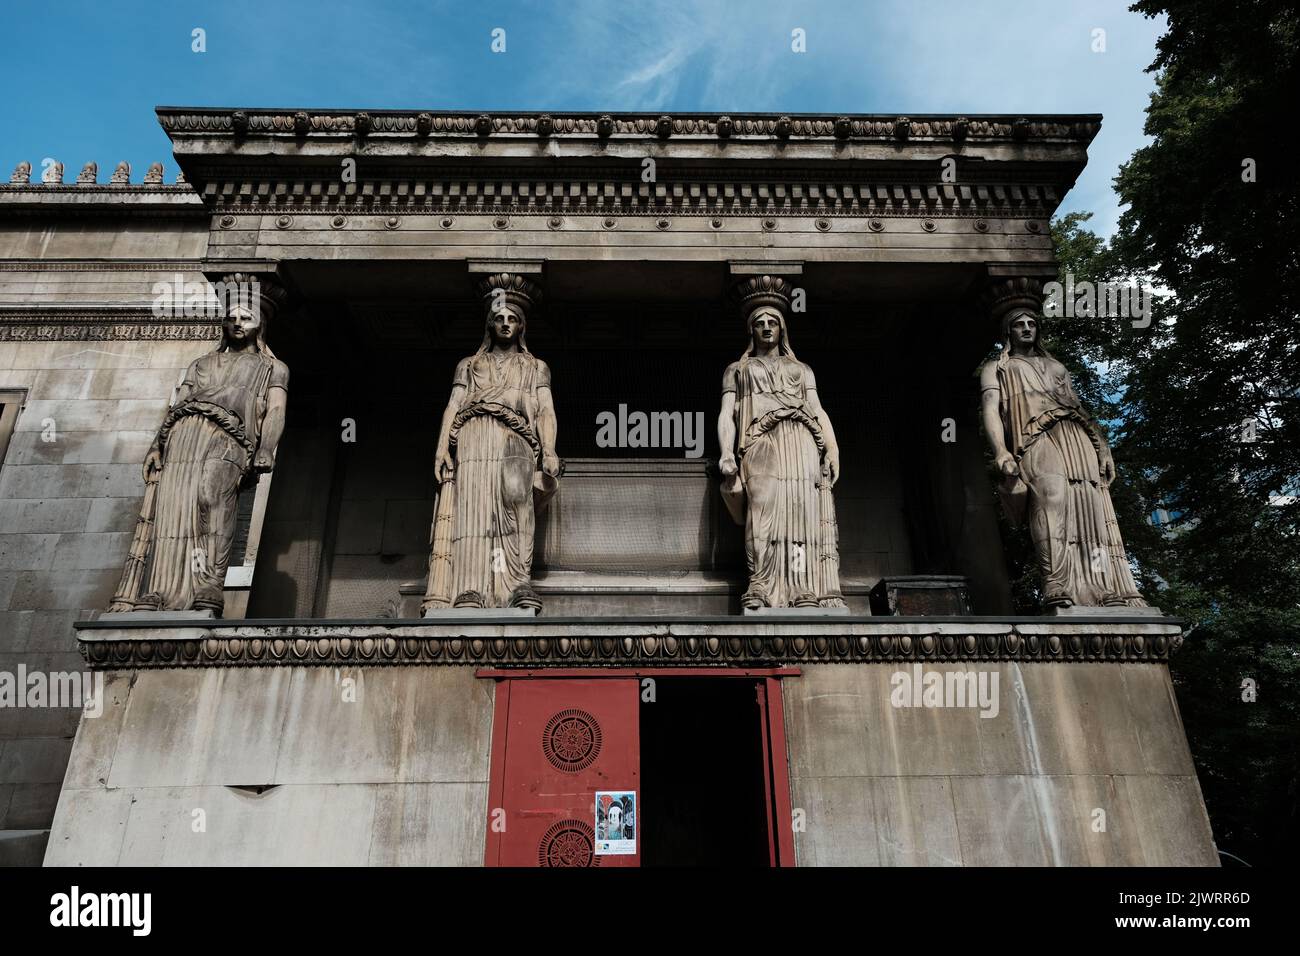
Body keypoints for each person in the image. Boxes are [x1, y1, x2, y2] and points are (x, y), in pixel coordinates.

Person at [979, 302, 1146, 609]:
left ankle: (1101, 584)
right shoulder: (998, 367)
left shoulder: (1057, 367)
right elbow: (991, 408)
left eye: (1031, 323)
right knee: (1050, 500)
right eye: (1020, 324)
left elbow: (1078, 407)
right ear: (1009, 332)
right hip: (1034, 439)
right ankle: (1055, 583)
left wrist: (1103, 447)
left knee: (1090, 513)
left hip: (1077, 437)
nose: (1027, 328)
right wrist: (1001, 450)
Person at [424, 273, 560, 612]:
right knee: (475, 509)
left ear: (521, 327)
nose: (505, 324)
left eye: (512, 319)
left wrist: (550, 449)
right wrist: (442, 447)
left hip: (517, 437)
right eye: (498, 318)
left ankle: (514, 583)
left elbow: (545, 410)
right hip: (473, 435)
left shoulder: (534, 367)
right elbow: (453, 406)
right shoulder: (469, 365)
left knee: (517, 500)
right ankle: (472, 588)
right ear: (489, 325)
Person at [718, 276, 844, 610]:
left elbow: (817, 410)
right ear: (751, 331)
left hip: (801, 443)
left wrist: (831, 449)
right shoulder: (737, 370)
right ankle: (760, 583)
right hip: (758, 442)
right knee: (762, 510)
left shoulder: (801, 370)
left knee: (800, 515)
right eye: (759, 323)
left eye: (773, 322)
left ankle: (802, 585)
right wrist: (726, 453)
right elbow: (726, 415)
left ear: (782, 328)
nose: (766, 327)